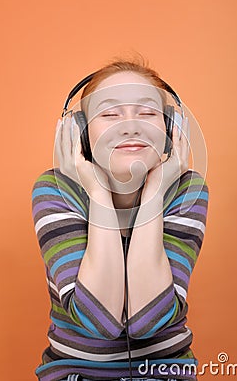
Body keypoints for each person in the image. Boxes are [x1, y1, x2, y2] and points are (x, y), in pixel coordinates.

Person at [31, 59, 209, 381]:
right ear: (81, 134)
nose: (129, 126)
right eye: (110, 114)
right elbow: (99, 320)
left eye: (147, 112)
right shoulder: (54, 189)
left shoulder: (187, 191)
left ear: (172, 129)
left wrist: (155, 191)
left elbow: (147, 319)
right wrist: (98, 193)